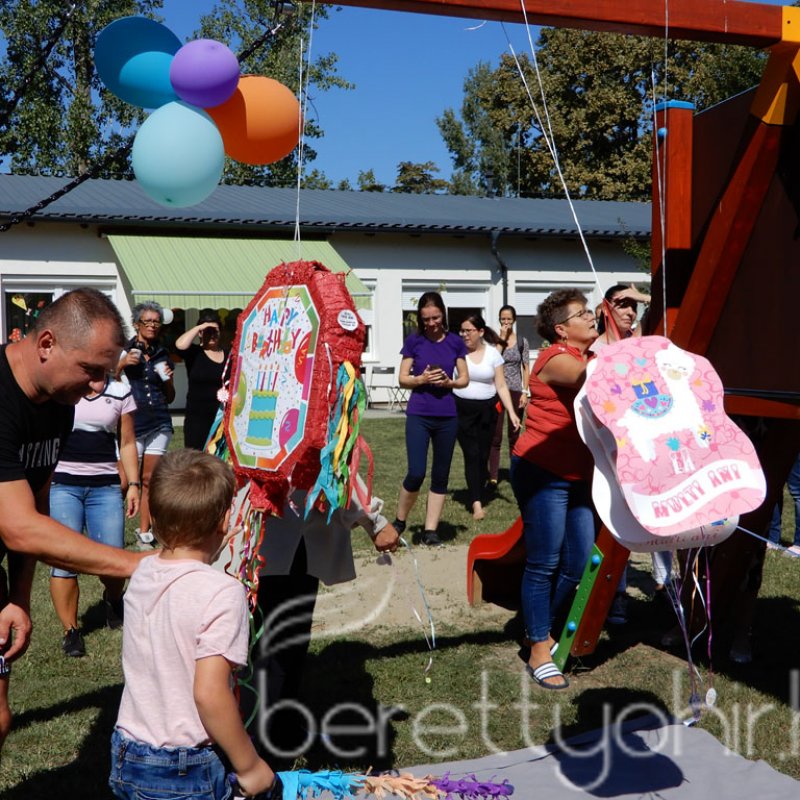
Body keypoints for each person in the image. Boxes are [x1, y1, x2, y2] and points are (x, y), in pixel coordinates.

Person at [0, 287, 146, 751]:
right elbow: (18, 525)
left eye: (105, 373)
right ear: (46, 343)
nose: (96, 386)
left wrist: (18, 597)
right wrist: (138, 565)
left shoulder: (58, 408)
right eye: (91, 370)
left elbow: (36, 506)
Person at [110, 449, 276, 800]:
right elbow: (209, 693)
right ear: (225, 520)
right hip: (184, 767)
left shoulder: (141, 573)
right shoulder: (221, 592)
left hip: (126, 753)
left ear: (153, 514)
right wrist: (249, 766)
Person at [247, 476, 399, 762]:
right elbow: (333, 465)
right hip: (282, 533)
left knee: (286, 642)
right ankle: (264, 753)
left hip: (269, 532)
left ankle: (284, 729)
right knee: (276, 649)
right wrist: (375, 521)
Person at [511, 289, 598, 690]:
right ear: (562, 329)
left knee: (579, 562)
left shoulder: (589, 357)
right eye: (584, 314)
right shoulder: (557, 360)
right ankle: (537, 647)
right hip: (542, 470)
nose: (592, 317)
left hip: (578, 474)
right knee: (544, 561)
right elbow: (592, 383)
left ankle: (537, 620)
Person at [49, 378, 140, 657]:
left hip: (106, 487)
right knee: (63, 560)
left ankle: (113, 599)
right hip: (63, 486)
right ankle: (71, 631)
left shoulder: (120, 390)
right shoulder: (61, 387)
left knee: (112, 560)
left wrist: (134, 483)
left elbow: (126, 442)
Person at [393, 292, 468, 546]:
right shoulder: (414, 342)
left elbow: (464, 379)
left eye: (435, 317)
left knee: (440, 474)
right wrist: (420, 380)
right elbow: (402, 378)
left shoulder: (456, 342)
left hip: (447, 415)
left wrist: (449, 382)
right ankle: (400, 521)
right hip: (419, 414)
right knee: (416, 472)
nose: (431, 323)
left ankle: (430, 531)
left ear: (443, 315)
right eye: (426, 319)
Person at [117, 301, 175, 548]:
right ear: (136, 324)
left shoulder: (162, 354)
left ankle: (144, 533)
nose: (152, 325)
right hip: (132, 420)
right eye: (147, 321)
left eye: (156, 321)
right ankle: (112, 527)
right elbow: (107, 380)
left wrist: (169, 381)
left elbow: (170, 396)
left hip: (159, 418)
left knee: (150, 478)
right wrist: (122, 365)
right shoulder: (125, 350)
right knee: (123, 480)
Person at [453, 313, 521, 520]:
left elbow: (501, 385)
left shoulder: (493, 354)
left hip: (487, 411)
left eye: (469, 330)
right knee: (471, 454)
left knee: (483, 455)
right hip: (461, 410)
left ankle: (479, 486)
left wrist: (511, 411)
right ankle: (476, 503)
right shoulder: (456, 353)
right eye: (462, 330)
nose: (464, 335)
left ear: (480, 332)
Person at [174, 310, 228, 451]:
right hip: (197, 419)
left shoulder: (229, 355)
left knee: (219, 460)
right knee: (196, 460)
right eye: (207, 331)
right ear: (200, 333)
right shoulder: (193, 353)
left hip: (221, 417)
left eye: (215, 331)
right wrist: (200, 327)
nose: (211, 334)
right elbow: (180, 345)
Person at [488, 305, 530, 487]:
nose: (505, 322)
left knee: (514, 435)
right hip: (497, 391)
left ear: (514, 320)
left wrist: (525, 391)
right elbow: (492, 360)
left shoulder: (522, 341)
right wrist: (501, 340)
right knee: (495, 436)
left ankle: (515, 473)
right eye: (502, 319)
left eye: (508, 319)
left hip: (515, 391)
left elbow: (526, 367)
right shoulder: (493, 342)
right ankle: (493, 476)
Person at [593, 283, 650, 350]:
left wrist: (644, 297)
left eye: (634, 307)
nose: (631, 312)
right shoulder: (595, 349)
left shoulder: (639, 338)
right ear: (605, 309)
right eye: (623, 306)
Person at [767, 451, 800, 555]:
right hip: (775, 442)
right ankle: (772, 539)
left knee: (797, 491)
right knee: (772, 489)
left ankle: (798, 545)